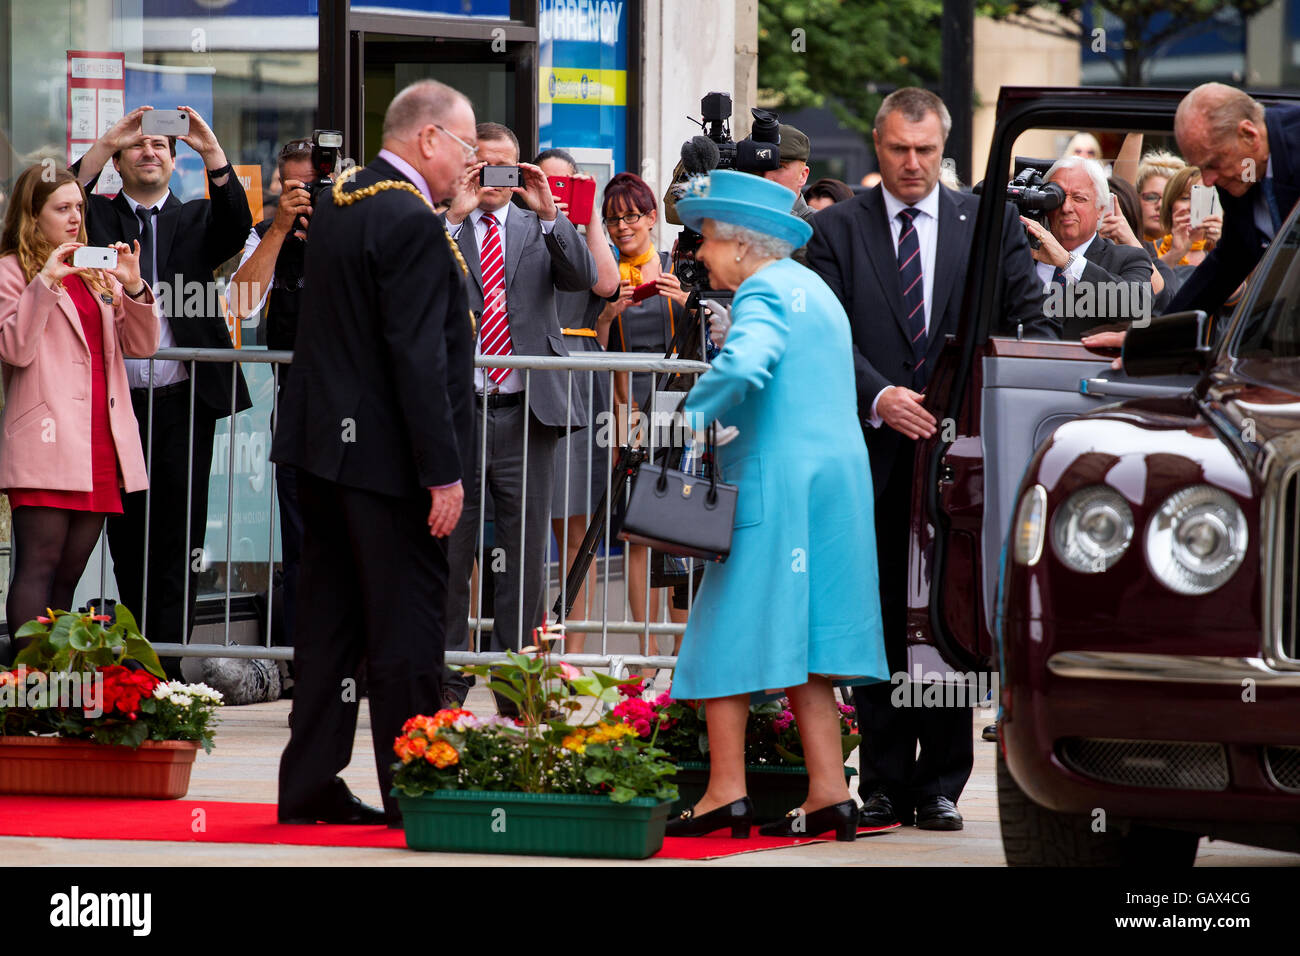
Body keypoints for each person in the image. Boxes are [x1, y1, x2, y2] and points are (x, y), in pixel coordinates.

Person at [805, 87, 1046, 833]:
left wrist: (971, 406)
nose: (912, 164)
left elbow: (1027, 323)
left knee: (948, 616)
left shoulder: (991, 224)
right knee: (874, 615)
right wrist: (879, 397)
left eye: (926, 151)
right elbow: (822, 334)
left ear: (946, 151)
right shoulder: (837, 230)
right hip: (870, 453)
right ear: (877, 147)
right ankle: (880, 778)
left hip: (960, 460)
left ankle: (940, 781)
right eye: (899, 150)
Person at [270, 79, 476, 826]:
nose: (471, 160)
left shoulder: (344, 202)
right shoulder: (410, 221)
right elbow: (417, 359)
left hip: (324, 455)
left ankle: (310, 786)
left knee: (329, 627)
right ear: (428, 139)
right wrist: (442, 471)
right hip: (389, 468)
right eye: (464, 144)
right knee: (407, 632)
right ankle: (418, 789)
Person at [664, 169, 889, 841]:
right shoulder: (812, 287)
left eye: (705, 239)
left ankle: (726, 793)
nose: (700, 255)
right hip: (834, 487)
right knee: (812, 646)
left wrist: (682, 421)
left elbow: (743, 367)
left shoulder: (762, 289)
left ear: (738, 244)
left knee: (721, 633)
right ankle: (828, 793)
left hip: (775, 482)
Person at [73, 105, 252, 658]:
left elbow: (237, 224)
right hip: (115, 402)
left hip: (184, 400)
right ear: (120, 163)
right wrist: (105, 141)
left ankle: (168, 666)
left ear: (175, 163)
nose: (148, 152)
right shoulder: (97, 216)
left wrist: (212, 151)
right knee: (126, 534)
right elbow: (56, 201)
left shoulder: (197, 218)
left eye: (160, 147)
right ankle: (134, 656)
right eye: (137, 147)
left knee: (180, 534)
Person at [440, 123, 598, 711]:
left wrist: (552, 209)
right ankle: (448, 682)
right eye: (483, 166)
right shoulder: (444, 225)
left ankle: (518, 687)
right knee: (450, 553)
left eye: (506, 167)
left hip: (527, 411)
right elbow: (417, 281)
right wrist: (454, 215)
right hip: (459, 415)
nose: (496, 179)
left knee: (524, 557)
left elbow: (584, 280)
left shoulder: (539, 225)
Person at [0, 166, 159, 643]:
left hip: (98, 441)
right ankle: (28, 688)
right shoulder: (12, 269)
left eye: (78, 208)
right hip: (46, 438)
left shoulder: (94, 270)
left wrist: (132, 287)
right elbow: (15, 347)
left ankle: (58, 682)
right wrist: (46, 282)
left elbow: (142, 346)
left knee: (68, 575)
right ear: (32, 215)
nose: (75, 218)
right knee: (37, 567)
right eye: (62, 208)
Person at [598, 171, 692, 660]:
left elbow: (708, 333)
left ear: (652, 218)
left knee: (676, 530)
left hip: (681, 406)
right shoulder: (606, 273)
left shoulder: (678, 263)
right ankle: (644, 650)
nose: (621, 227)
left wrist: (685, 302)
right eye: (612, 219)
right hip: (628, 408)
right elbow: (595, 343)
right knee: (636, 533)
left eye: (631, 216)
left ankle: (679, 653)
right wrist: (610, 314)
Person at [228, 138, 316, 648]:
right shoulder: (265, 233)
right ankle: (307, 667)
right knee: (301, 542)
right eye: (292, 185)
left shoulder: (361, 230)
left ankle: (362, 666)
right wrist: (281, 228)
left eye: (313, 185)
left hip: (362, 413)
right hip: (297, 408)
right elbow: (240, 303)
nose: (302, 195)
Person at [534, 147, 620, 656]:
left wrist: (586, 216)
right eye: (546, 183)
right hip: (532, 364)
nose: (555, 192)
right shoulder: (519, 229)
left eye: (565, 184)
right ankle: (501, 642)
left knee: (575, 525)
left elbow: (605, 283)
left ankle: (571, 644)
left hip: (579, 366)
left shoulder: (586, 231)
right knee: (519, 522)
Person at [1164, 83, 1300, 316]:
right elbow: (1231, 260)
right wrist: (1150, 337)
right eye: (1200, 167)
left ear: (1249, 135)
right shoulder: (1240, 171)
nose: (1207, 180)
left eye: (1212, 164)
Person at [1020, 156, 1154, 340]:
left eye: (1079, 198)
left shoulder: (1129, 258)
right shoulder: (1021, 255)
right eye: (1056, 197)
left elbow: (1138, 306)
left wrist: (1068, 262)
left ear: (1100, 208)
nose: (1066, 207)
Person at [1154, 165, 1223, 273]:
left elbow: (1240, 289)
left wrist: (1224, 246)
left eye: (1201, 199)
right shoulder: (1149, 249)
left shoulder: (1222, 252)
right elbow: (1144, 287)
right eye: (1185, 198)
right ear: (1170, 204)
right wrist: (1175, 253)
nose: (1192, 207)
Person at [763, 124, 815, 225]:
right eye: (757, 167)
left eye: (779, 167)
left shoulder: (820, 228)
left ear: (803, 175)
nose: (766, 178)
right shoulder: (732, 219)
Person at [1135, 150, 1185, 243]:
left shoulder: (1200, 249)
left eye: (1169, 198)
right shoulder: (1120, 246)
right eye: (1151, 197)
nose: (1160, 205)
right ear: (1135, 199)